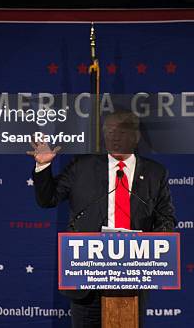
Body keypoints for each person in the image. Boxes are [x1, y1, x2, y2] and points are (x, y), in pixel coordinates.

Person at [28, 110, 176, 328]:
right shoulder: (81, 167)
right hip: (87, 275)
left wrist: (156, 243)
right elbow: (48, 199)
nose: (113, 136)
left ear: (136, 136)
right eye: (108, 131)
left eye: (120, 131)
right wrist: (43, 166)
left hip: (132, 273)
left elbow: (166, 218)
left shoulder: (155, 173)